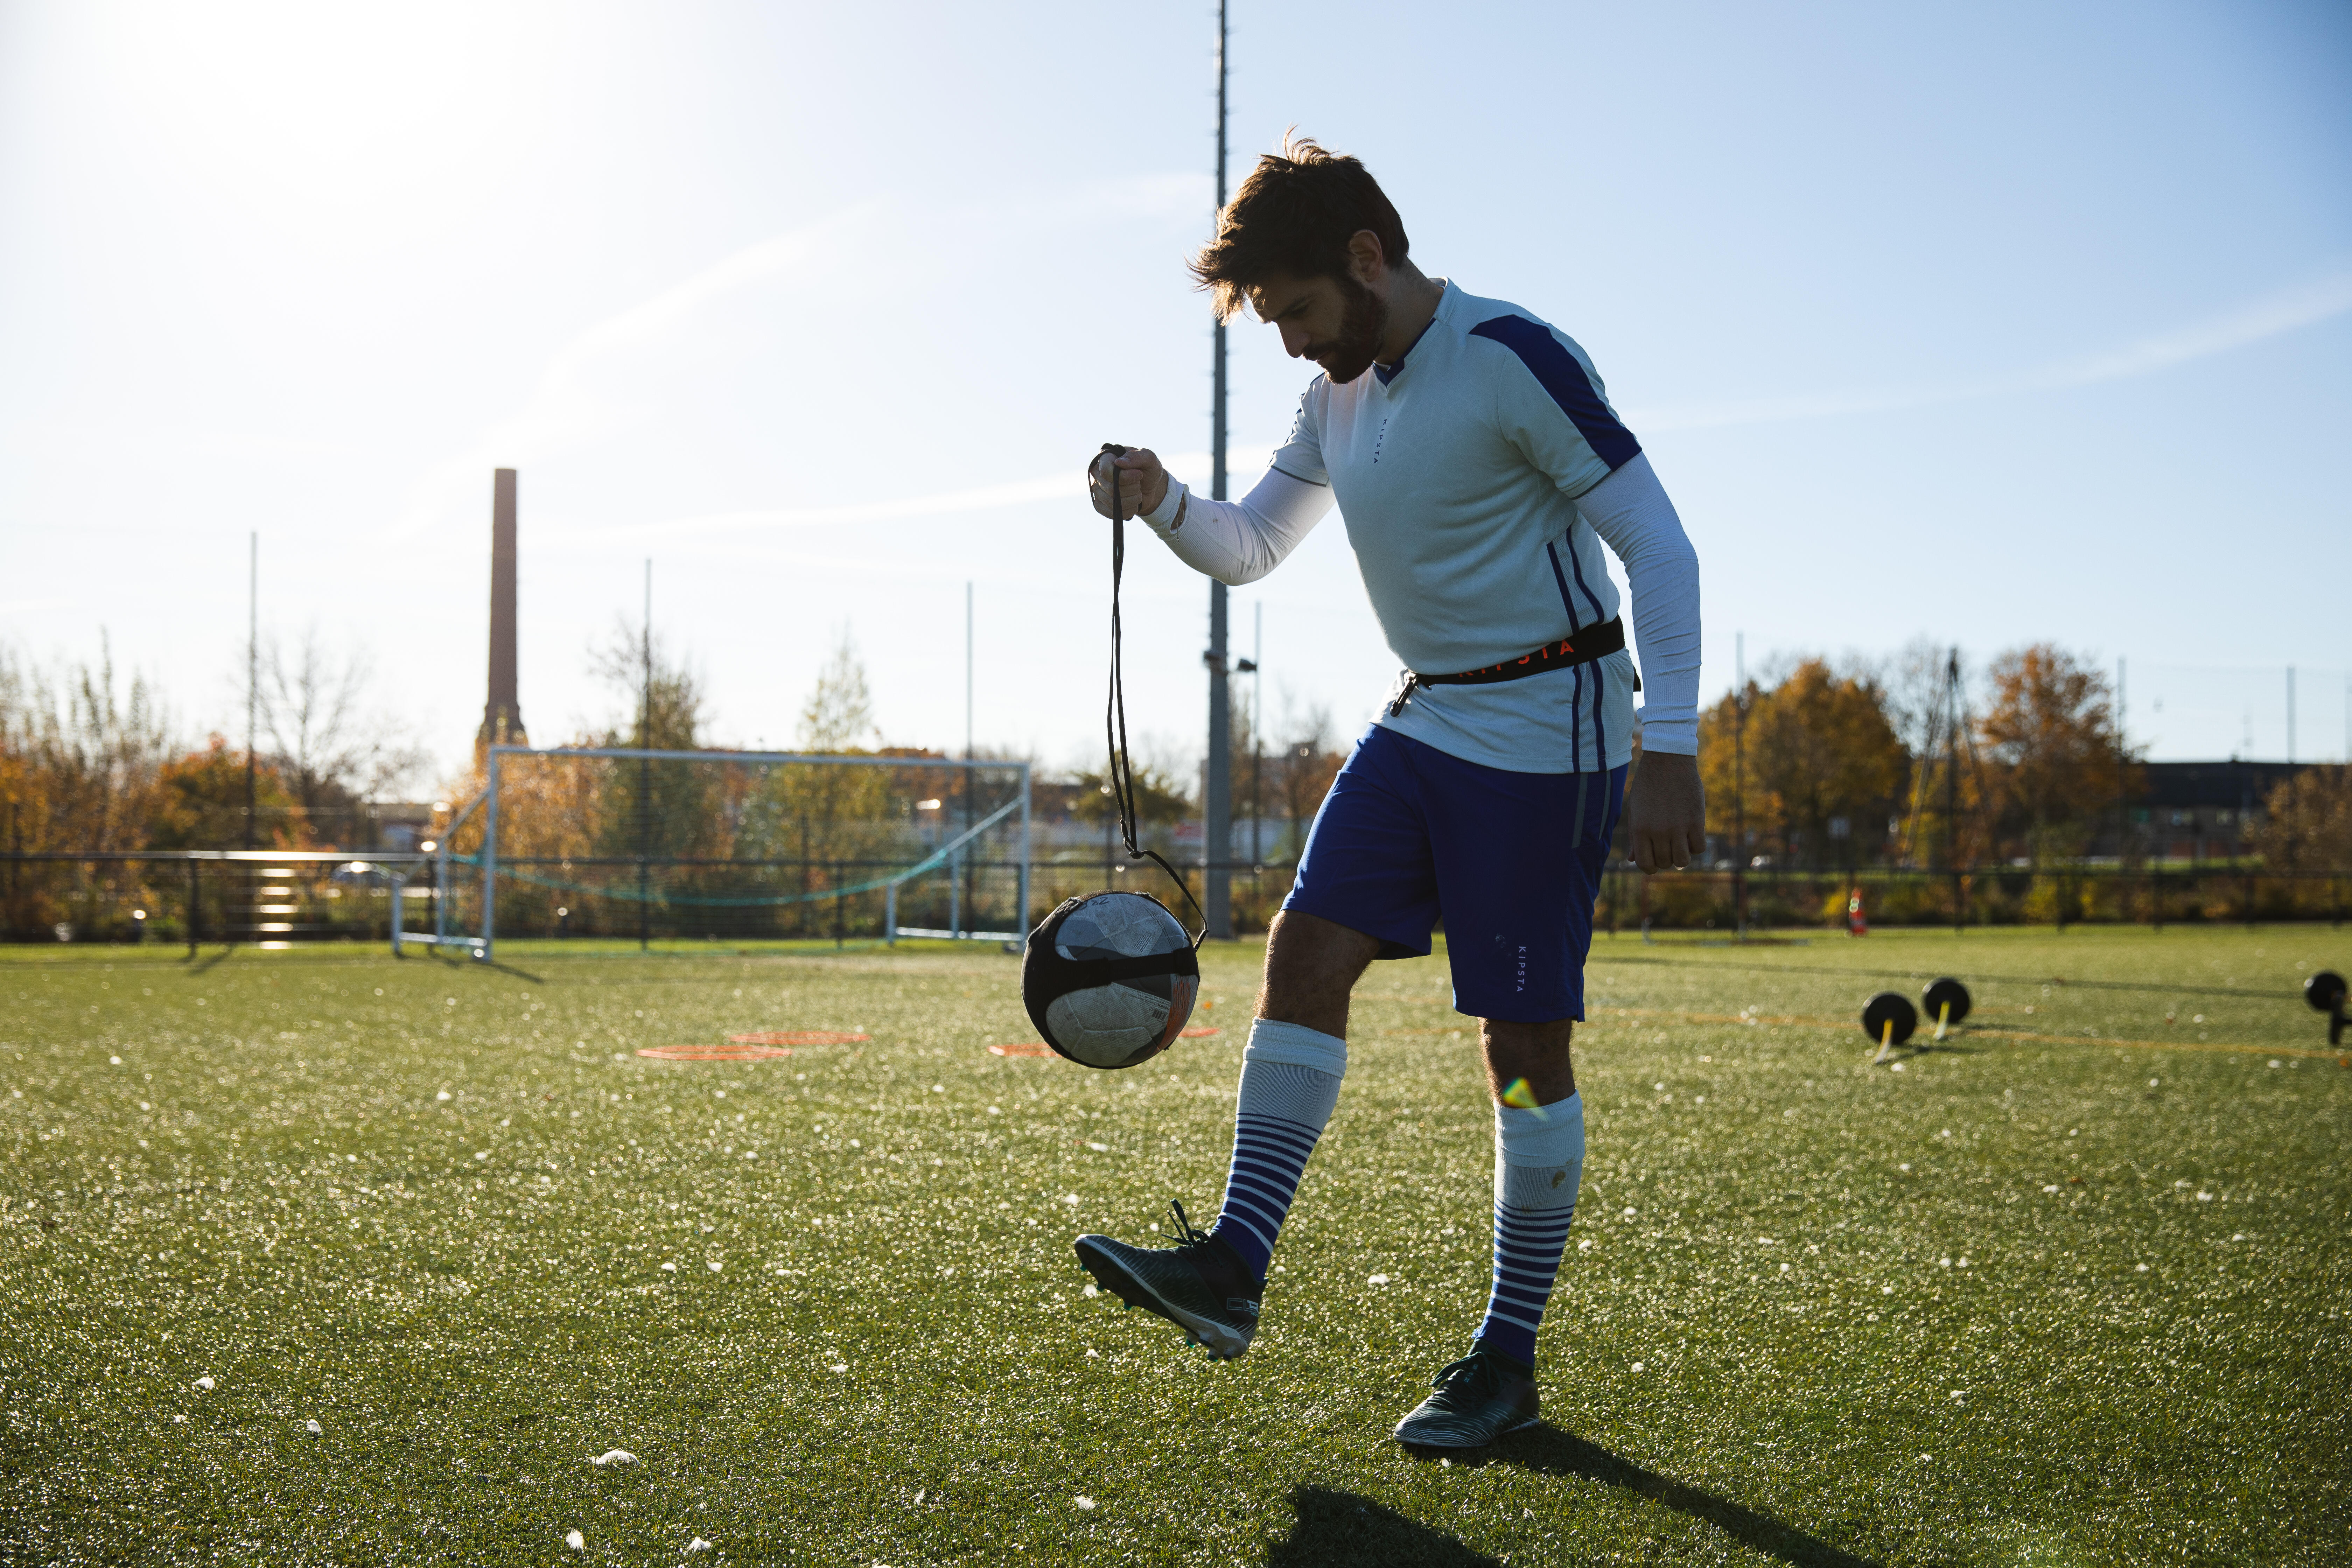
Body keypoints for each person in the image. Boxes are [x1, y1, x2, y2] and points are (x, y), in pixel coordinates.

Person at [1073, 137, 1705, 1449]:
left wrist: (1675, 746)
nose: (1296, 344)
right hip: (1424, 718)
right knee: (1304, 950)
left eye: (1300, 309)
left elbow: (1659, 542)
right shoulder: (1336, 399)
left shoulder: (1513, 356)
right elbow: (1249, 547)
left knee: (1521, 1052)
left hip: (1554, 733)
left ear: (1368, 258)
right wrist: (1161, 499)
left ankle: (1508, 1355)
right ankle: (1234, 1269)